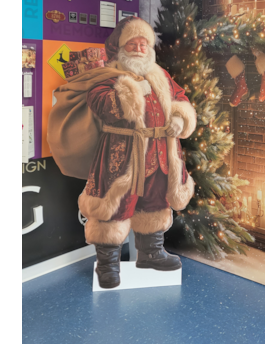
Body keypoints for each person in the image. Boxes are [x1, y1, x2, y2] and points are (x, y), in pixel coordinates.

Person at [78, 17, 196, 288]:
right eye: (133, 43)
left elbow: (180, 97)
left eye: (144, 44)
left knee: (155, 202)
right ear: (121, 47)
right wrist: (129, 93)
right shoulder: (107, 74)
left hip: (160, 153)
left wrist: (179, 118)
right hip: (122, 155)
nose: (140, 49)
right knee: (114, 207)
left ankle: (151, 253)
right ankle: (107, 265)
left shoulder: (161, 74)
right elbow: (99, 102)